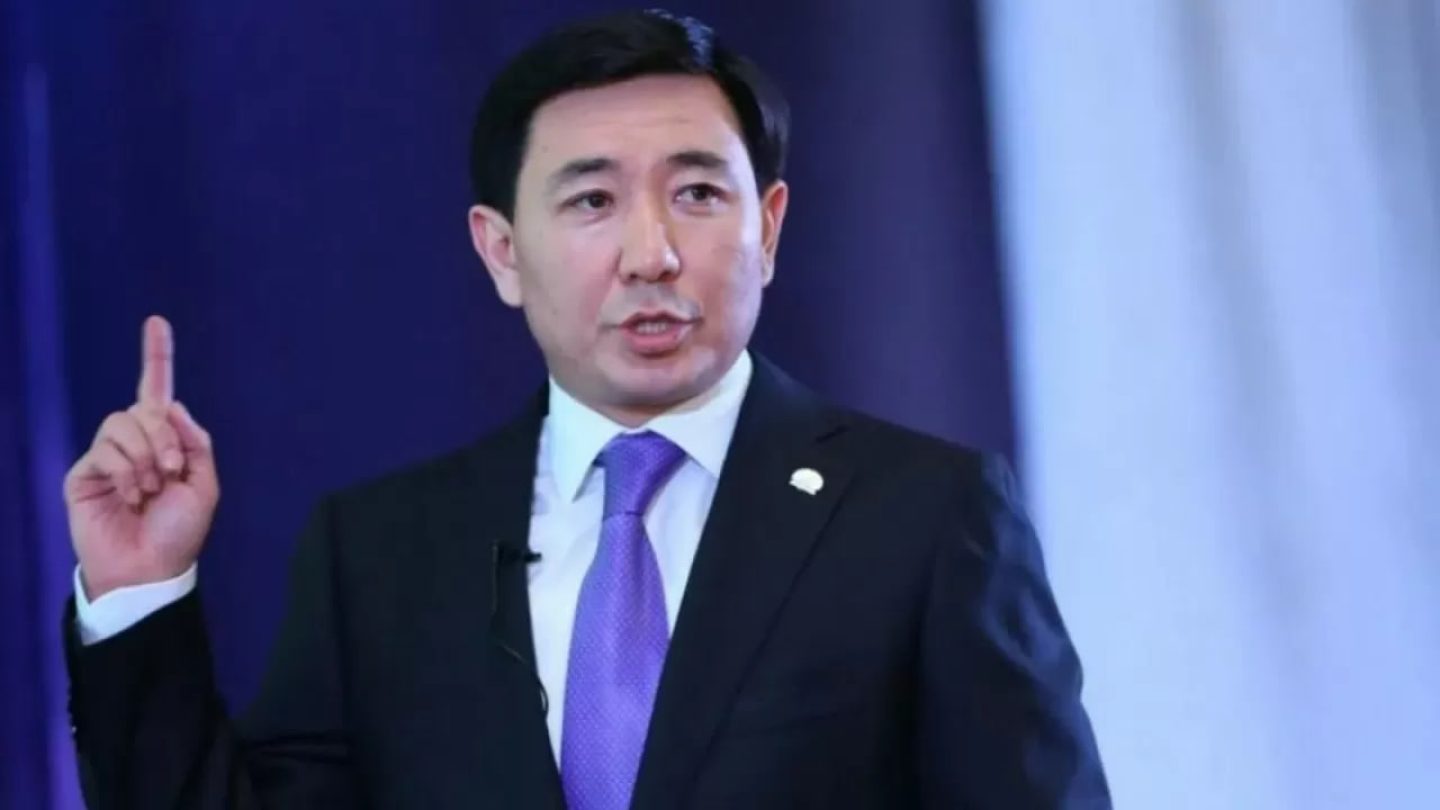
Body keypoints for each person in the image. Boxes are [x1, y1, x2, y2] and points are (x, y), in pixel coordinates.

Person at [61, 9, 1110, 809]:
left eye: (698, 194)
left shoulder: (924, 516)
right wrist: (136, 593)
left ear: (770, 228)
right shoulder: (380, 555)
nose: (652, 254)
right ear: (501, 252)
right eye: (592, 201)